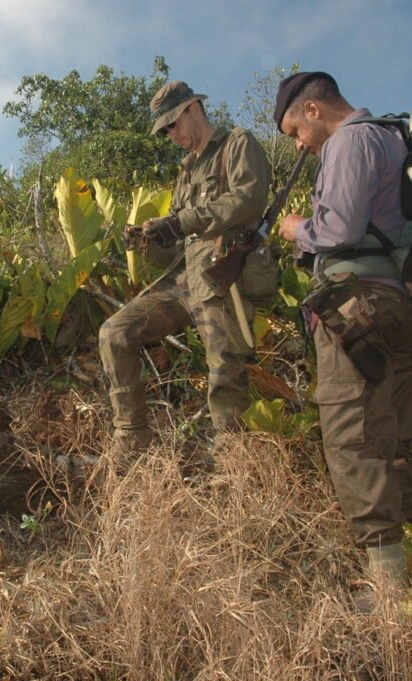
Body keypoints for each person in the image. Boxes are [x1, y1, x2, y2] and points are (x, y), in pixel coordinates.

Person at [274, 71, 412, 583]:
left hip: (357, 309)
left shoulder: (349, 141)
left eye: (296, 131)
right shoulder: (391, 137)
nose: (301, 144)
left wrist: (299, 229)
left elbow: (338, 229)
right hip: (405, 310)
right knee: (396, 445)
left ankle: (389, 592)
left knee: (354, 443)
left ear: (314, 109)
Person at [98, 80, 272, 453]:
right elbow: (176, 245)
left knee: (224, 372)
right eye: (164, 130)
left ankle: (234, 466)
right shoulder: (186, 170)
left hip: (224, 273)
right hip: (186, 278)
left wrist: (180, 223)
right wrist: (148, 240)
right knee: (115, 333)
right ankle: (131, 441)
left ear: (194, 107)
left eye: (173, 124)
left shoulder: (236, 143)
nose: (170, 134)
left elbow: (248, 198)